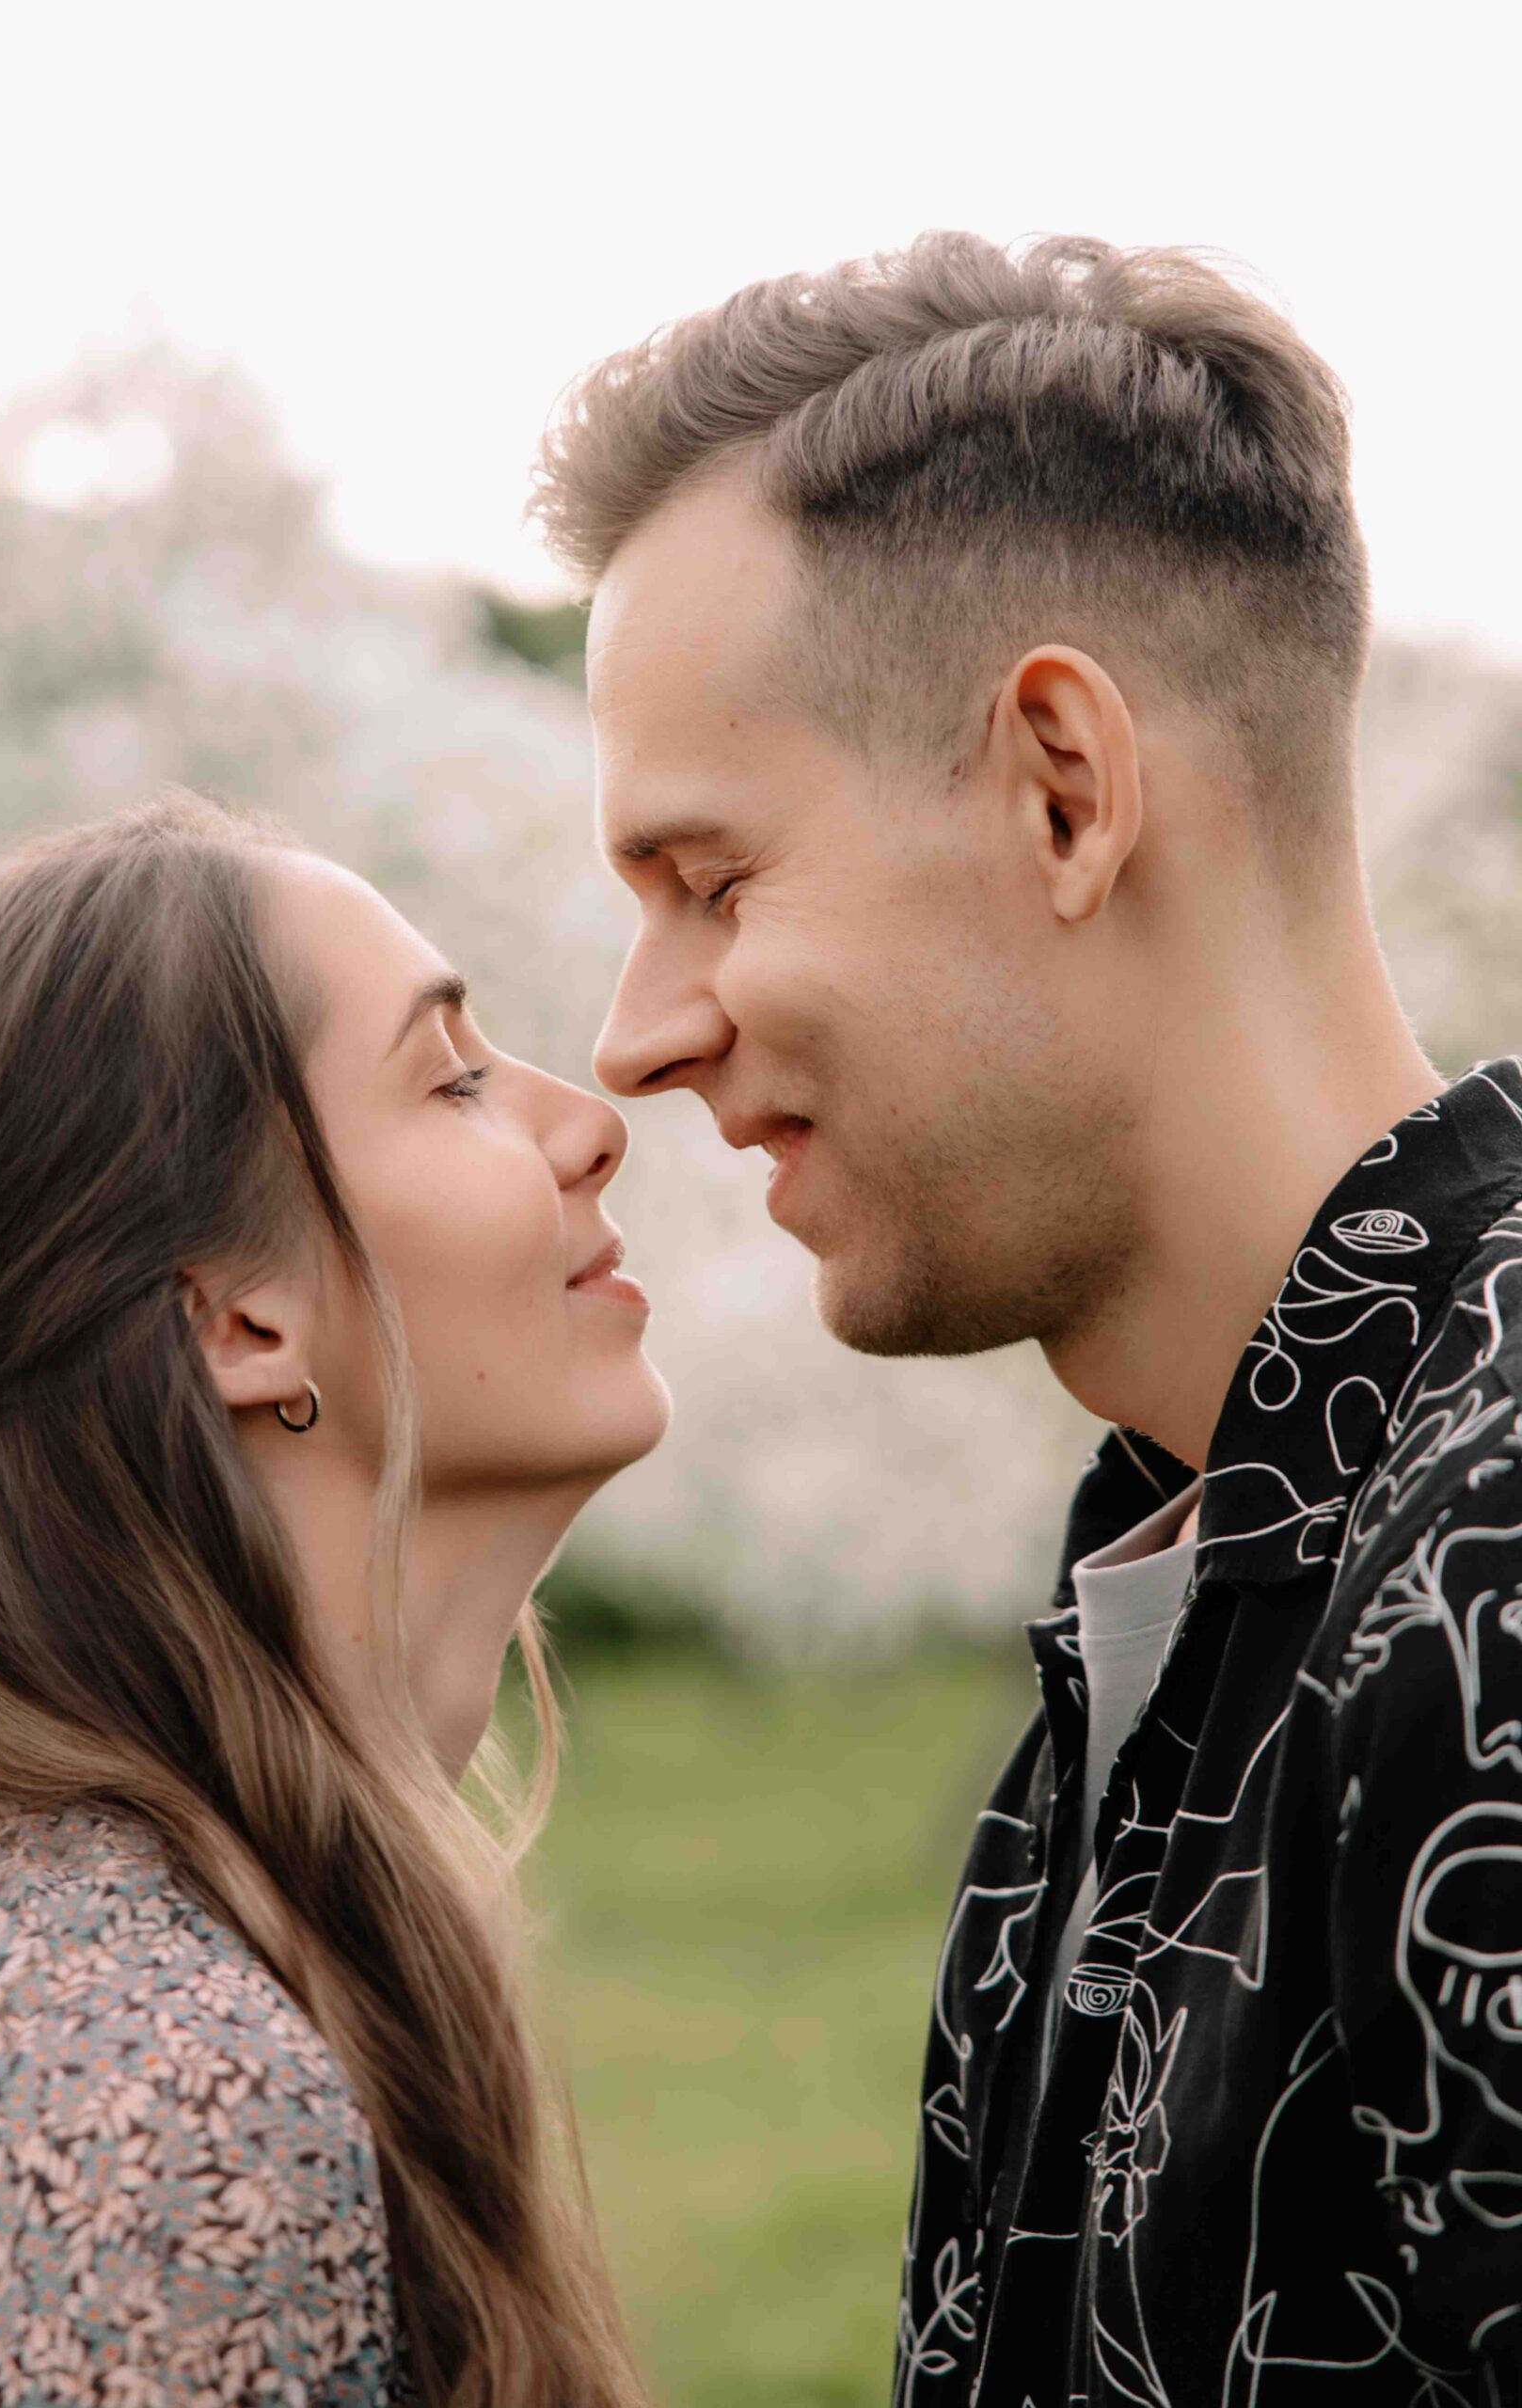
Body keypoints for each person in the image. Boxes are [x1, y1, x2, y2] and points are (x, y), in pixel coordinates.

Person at [533, 232, 1522, 2402]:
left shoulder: (1493, 1573)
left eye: (712, 879)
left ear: (1058, 788)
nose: (634, 1037)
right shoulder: (1178, 1583)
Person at [0, 792, 668, 2408]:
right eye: (455, 1079)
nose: (589, 1122)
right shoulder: (137, 2106)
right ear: (232, 1323)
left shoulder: (49, 1954)